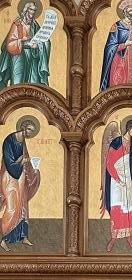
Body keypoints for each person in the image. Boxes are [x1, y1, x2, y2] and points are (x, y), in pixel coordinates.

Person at [101, 118, 132, 252]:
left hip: (131, 180)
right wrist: (118, 179)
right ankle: (114, 237)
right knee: (117, 207)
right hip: (117, 179)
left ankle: (129, 236)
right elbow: (109, 162)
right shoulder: (116, 142)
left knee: (130, 207)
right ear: (128, 127)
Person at [0, 117, 40, 252]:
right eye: (29, 129)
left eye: (32, 131)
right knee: (12, 207)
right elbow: (9, 162)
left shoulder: (23, 142)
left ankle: (23, 236)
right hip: (10, 177)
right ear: (23, 127)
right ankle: (3, 239)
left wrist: (34, 170)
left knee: (23, 205)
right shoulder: (9, 141)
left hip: (20, 176)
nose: (30, 133)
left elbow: (25, 161)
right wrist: (21, 162)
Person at [99, 0, 132, 90]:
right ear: (125, 13)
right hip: (119, 63)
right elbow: (110, 47)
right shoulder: (116, 26)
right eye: (131, 10)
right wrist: (125, 44)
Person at [0, 0, 51, 87]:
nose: (33, 12)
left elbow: (42, 39)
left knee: (33, 85)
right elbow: (10, 44)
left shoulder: (35, 25)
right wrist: (27, 44)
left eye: (34, 10)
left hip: (32, 58)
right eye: (31, 9)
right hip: (18, 56)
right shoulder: (18, 24)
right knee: (17, 84)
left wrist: (41, 43)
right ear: (26, 10)